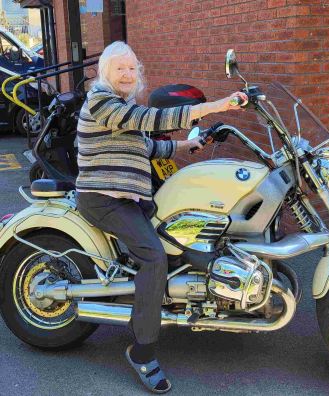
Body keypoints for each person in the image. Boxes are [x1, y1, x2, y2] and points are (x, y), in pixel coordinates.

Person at [75, 41, 247, 394]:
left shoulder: (123, 107)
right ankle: (142, 352)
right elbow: (149, 121)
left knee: (180, 232)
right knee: (154, 258)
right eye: (119, 68)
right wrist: (216, 106)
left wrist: (189, 146)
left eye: (132, 68)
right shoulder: (101, 102)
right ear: (105, 73)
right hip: (104, 199)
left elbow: (149, 145)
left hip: (130, 199)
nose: (127, 74)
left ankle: (171, 298)